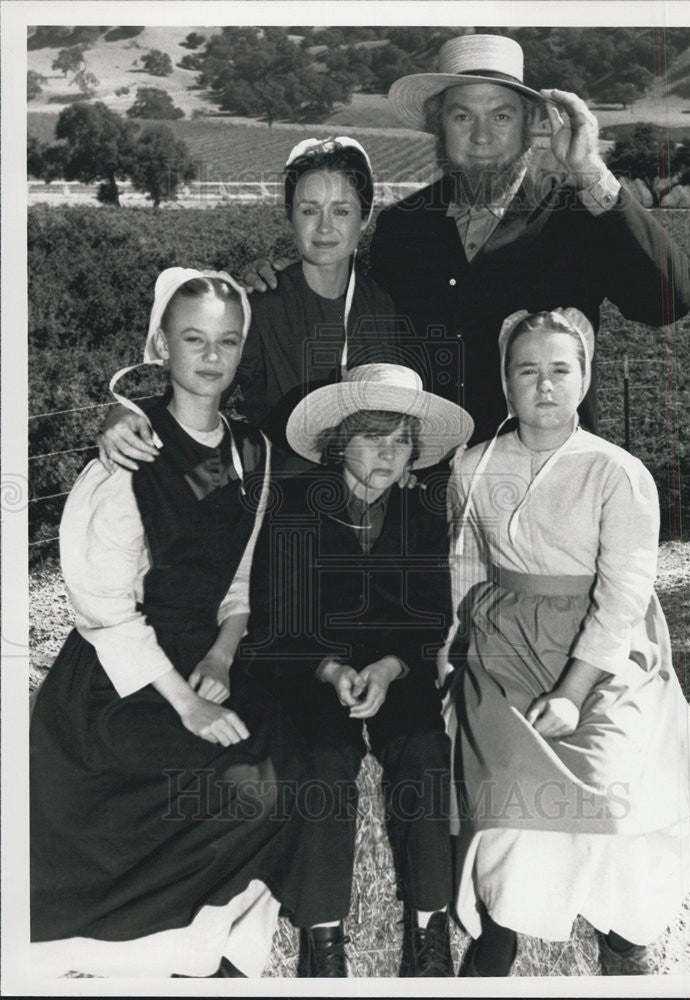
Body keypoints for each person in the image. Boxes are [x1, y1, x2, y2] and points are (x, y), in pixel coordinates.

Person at [30, 268, 305, 978]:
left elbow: (239, 579)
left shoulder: (256, 451)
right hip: (119, 678)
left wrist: (220, 655)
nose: (211, 357)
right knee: (237, 791)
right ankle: (143, 939)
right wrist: (183, 702)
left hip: (202, 658)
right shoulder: (130, 454)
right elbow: (101, 606)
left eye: (227, 341)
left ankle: (211, 928)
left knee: (284, 771)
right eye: (193, 339)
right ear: (160, 343)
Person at [247, 33, 690, 444]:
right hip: (428, 489)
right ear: (440, 126)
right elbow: (357, 308)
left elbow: (666, 301)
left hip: (542, 486)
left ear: (529, 125)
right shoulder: (402, 228)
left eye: (501, 115)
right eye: (463, 116)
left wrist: (590, 170)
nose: (481, 136)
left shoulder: (575, 216)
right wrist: (284, 275)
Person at [445, 308, 690, 976]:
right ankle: (500, 925)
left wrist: (571, 693)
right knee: (507, 794)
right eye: (526, 370)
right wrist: (450, 659)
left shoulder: (616, 472)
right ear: (505, 381)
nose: (543, 386)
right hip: (505, 648)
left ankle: (622, 940)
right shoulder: (472, 468)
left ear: (584, 377)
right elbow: (467, 571)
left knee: (610, 788)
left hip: (601, 656)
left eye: (560, 370)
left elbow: (623, 593)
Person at [234, 363, 474, 977]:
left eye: (400, 442)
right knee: (323, 757)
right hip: (309, 669)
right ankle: (323, 939)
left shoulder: (422, 510)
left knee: (423, 747)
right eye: (373, 438)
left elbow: (431, 615)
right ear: (340, 440)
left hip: (397, 669)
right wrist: (330, 671)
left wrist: (393, 669)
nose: (388, 454)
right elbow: (271, 622)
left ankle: (428, 931)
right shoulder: (292, 506)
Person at [98, 137, 402, 477]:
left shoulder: (382, 306)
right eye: (309, 210)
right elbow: (195, 398)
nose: (325, 227)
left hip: (369, 502)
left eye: (342, 210)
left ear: (364, 217)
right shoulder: (260, 307)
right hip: (283, 506)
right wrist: (127, 414)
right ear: (290, 216)